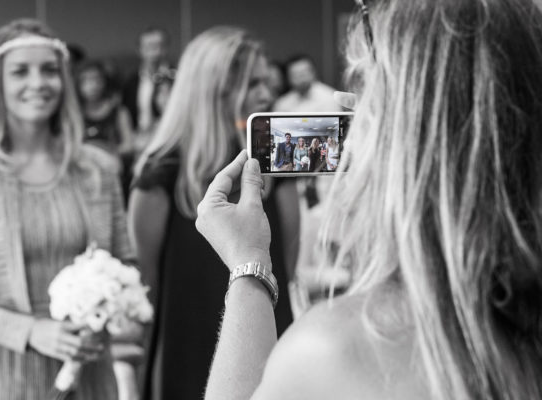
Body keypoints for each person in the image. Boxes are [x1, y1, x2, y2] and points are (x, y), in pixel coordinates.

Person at [196, 0, 542, 399]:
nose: (347, 107)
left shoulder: (331, 354)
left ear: (399, 127)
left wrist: (247, 265)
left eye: (363, 87)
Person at [0, 19, 135, 400]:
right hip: (1, 377)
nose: (38, 83)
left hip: (91, 375)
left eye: (50, 70)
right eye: (20, 72)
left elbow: (126, 264)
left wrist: (113, 315)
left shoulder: (99, 169)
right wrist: (30, 331)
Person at [128, 26, 295, 400]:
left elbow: (290, 265)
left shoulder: (277, 170)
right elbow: (146, 291)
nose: (267, 94)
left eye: (266, 82)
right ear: (211, 90)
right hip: (184, 352)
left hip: (268, 340)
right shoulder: (160, 175)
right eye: (253, 84)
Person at [75, 59, 134, 164]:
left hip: (112, 167)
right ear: (78, 85)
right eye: (86, 80)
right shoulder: (74, 113)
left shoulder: (119, 112)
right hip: (82, 167)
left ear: (105, 82)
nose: (93, 86)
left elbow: (129, 146)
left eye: (97, 79)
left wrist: (104, 152)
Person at [122, 27, 174, 141]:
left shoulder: (177, 77)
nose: (155, 51)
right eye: (149, 47)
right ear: (139, 50)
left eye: (160, 46)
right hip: (139, 140)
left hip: (170, 138)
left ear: (167, 48)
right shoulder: (131, 82)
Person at [273, 54, 341, 113]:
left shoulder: (330, 98)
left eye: (304, 73)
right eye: (296, 75)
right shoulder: (282, 103)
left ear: (313, 72)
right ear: (288, 78)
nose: (301, 79)